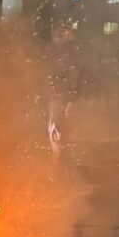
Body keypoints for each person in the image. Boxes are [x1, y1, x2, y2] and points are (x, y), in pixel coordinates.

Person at [46, 22, 82, 161]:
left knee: (57, 125)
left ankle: (59, 156)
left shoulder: (68, 54)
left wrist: (71, 98)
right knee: (59, 125)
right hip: (59, 94)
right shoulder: (60, 52)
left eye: (59, 35)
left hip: (61, 95)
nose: (55, 38)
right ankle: (61, 155)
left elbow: (73, 76)